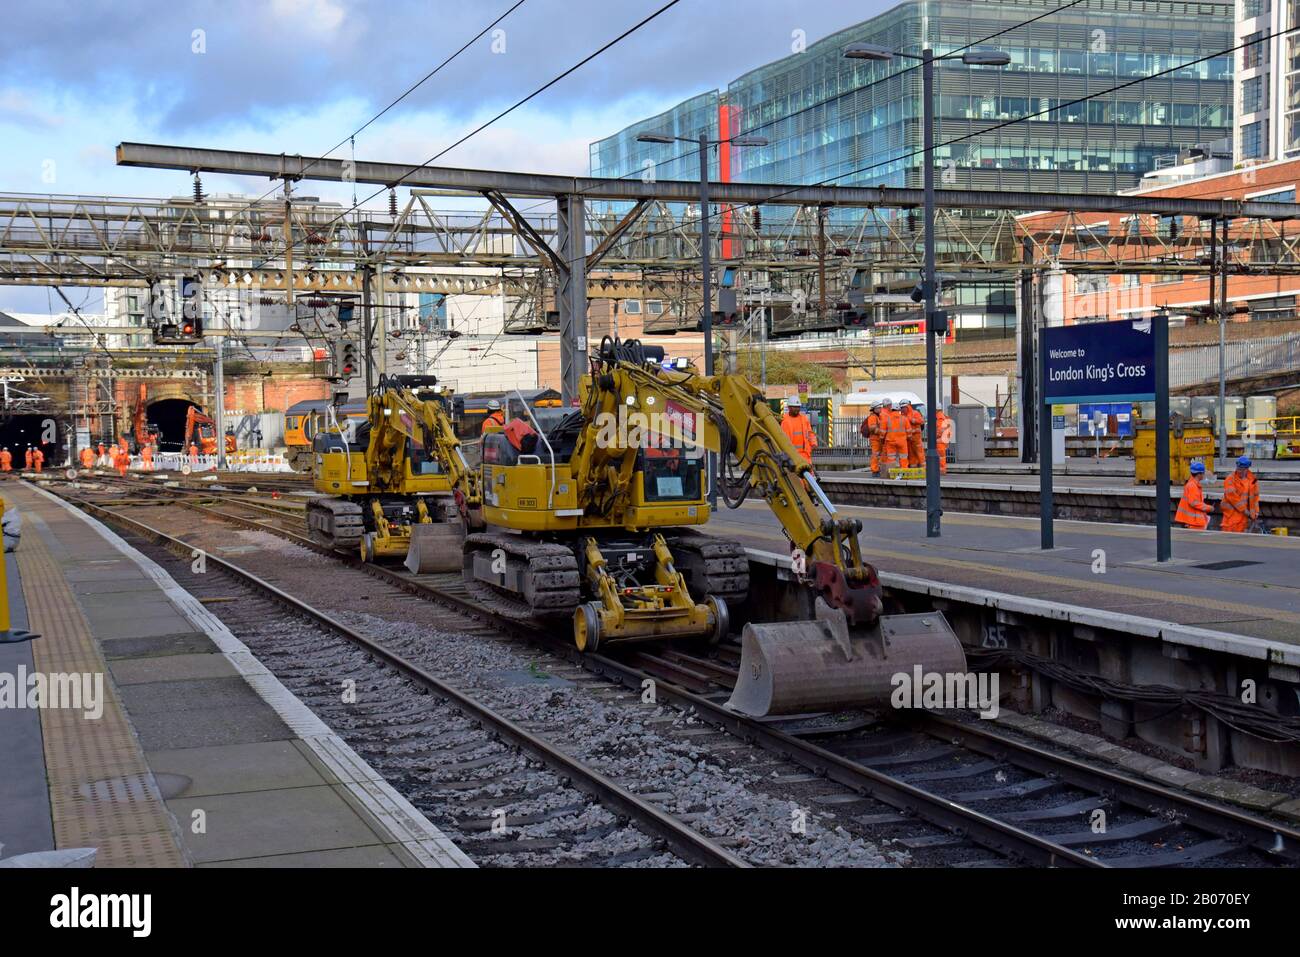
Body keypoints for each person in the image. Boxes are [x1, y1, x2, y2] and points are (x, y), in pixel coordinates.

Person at [1220, 455, 1260, 533]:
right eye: (1238, 469)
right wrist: (1247, 512)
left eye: (1242, 469)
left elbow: (1255, 497)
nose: (1240, 471)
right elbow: (1233, 499)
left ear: (1247, 469)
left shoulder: (1252, 480)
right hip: (1231, 516)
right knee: (1227, 539)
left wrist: (1256, 511)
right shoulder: (1230, 480)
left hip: (1243, 517)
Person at [1175, 461, 1215, 530]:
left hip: (1193, 521)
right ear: (1199, 474)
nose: (1204, 474)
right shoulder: (1192, 486)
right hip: (1193, 522)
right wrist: (1209, 508)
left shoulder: (1193, 484)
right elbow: (1194, 503)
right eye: (1203, 473)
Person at [779, 396, 817, 465]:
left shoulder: (804, 419)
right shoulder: (784, 420)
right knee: (795, 475)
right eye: (794, 407)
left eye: (798, 407)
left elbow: (810, 433)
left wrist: (813, 443)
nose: (797, 409)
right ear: (789, 407)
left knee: (808, 475)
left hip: (805, 455)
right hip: (791, 455)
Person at [881, 398, 909, 470]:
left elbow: (883, 431)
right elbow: (909, 431)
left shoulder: (887, 418)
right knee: (903, 457)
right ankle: (904, 472)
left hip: (890, 441)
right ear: (899, 410)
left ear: (891, 409)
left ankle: (891, 473)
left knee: (891, 458)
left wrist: (882, 438)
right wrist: (909, 437)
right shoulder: (904, 419)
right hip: (902, 441)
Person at [859, 402, 883, 475]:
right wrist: (882, 432)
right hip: (875, 439)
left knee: (878, 455)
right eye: (878, 408)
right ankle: (875, 470)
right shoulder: (873, 417)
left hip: (878, 439)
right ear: (874, 409)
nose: (880, 409)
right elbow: (872, 428)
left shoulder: (877, 416)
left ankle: (877, 469)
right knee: (875, 455)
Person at [900, 399, 924, 470]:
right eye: (901, 408)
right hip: (908, 438)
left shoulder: (915, 413)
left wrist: (912, 420)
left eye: (903, 407)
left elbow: (921, 421)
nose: (902, 409)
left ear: (907, 406)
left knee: (919, 454)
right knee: (911, 455)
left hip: (916, 438)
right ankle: (913, 468)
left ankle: (923, 468)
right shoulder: (902, 415)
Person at [936, 406, 953, 475]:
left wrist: (934, 436)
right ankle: (942, 470)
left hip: (940, 440)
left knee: (941, 457)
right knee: (941, 456)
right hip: (943, 439)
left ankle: (942, 471)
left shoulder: (939, 417)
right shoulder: (943, 416)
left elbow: (940, 430)